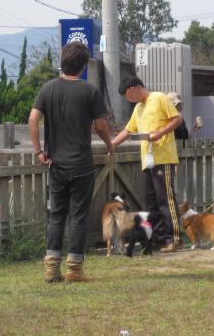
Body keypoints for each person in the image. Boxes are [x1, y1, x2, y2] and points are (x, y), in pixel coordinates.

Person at [29, 42, 114, 283]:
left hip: (56, 164)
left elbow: (33, 119)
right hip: (81, 165)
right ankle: (75, 270)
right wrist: (110, 145)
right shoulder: (90, 91)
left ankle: (51, 269)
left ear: (63, 62)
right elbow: (101, 126)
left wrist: (38, 152)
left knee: (57, 215)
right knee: (78, 216)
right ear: (83, 66)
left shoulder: (47, 89)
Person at [112, 76, 183, 252]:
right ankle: (159, 238)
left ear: (136, 88)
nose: (128, 100)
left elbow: (177, 119)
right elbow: (128, 131)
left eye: (128, 95)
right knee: (151, 203)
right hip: (148, 161)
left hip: (163, 158)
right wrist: (111, 145)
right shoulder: (138, 108)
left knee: (165, 200)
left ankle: (174, 238)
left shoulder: (159, 98)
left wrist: (160, 133)